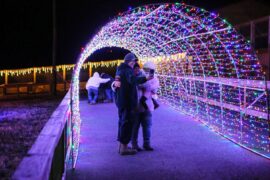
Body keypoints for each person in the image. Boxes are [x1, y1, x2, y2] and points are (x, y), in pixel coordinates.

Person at [112, 53, 152, 155]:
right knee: (127, 123)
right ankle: (124, 148)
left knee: (122, 123)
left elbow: (117, 84)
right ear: (131, 62)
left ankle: (121, 147)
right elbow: (133, 80)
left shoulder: (119, 70)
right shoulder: (127, 70)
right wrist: (146, 78)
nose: (134, 64)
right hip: (127, 102)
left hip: (121, 101)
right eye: (134, 62)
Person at [132, 61, 160, 151]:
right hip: (136, 106)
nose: (147, 71)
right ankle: (135, 144)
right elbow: (140, 85)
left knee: (146, 126)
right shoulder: (137, 76)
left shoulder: (154, 78)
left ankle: (146, 144)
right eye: (146, 69)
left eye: (150, 70)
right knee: (135, 126)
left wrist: (146, 83)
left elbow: (154, 89)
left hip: (147, 105)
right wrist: (146, 82)